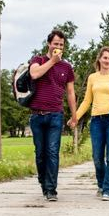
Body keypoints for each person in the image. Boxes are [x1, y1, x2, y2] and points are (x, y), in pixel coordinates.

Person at [73, 46, 109, 201]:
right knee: (97, 157)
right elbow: (87, 101)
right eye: (105, 58)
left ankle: (108, 190)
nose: (107, 61)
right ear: (99, 59)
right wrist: (76, 117)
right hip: (97, 121)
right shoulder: (93, 77)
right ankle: (101, 184)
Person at [27, 29, 78, 202]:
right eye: (55, 43)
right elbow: (34, 74)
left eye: (61, 45)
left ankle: (51, 189)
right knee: (40, 153)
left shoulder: (67, 67)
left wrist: (74, 115)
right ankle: (43, 180)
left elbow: (70, 92)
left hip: (56, 115)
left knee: (52, 152)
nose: (58, 46)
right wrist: (52, 61)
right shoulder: (38, 60)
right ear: (49, 44)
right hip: (37, 116)